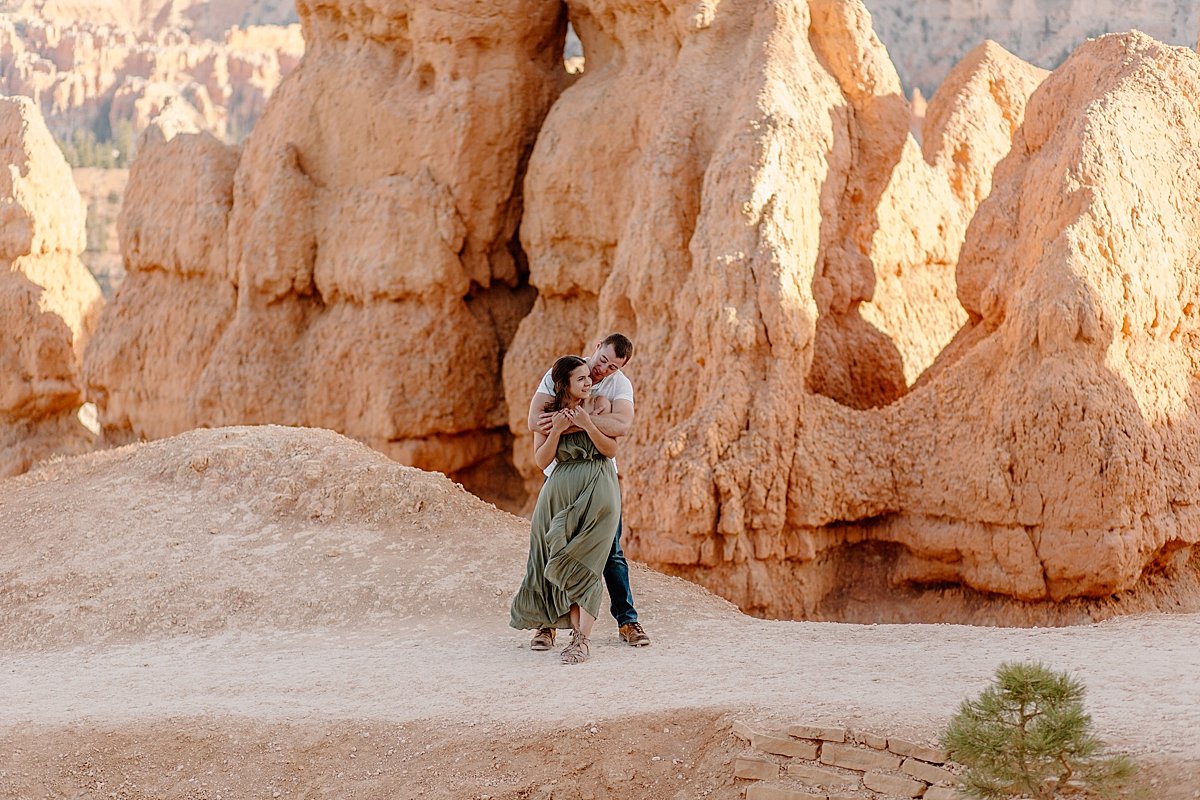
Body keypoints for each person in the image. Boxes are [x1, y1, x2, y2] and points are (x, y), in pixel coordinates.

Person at [524, 333, 650, 650]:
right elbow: (534, 421)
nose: (602, 370)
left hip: (598, 479)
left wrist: (574, 420)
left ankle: (627, 620)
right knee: (550, 547)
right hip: (559, 476)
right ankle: (546, 625)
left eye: (611, 367)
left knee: (610, 552)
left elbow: (621, 427)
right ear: (596, 348)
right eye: (602, 360)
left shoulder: (618, 386)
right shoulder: (565, 371)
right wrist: (590, 420)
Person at [509, 355, 622, 664]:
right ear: (565, 385)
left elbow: (610, 449)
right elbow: (542, 461)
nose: (590, 382)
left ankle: (581, 640)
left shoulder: (599, 404)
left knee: (586, 558)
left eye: (589, 377)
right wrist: (557, 430)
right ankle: (545, 627)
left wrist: (587, 423)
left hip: (599, 486)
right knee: (545, 550)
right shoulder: (547, 415)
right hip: (558, 489)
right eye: (581, 379)